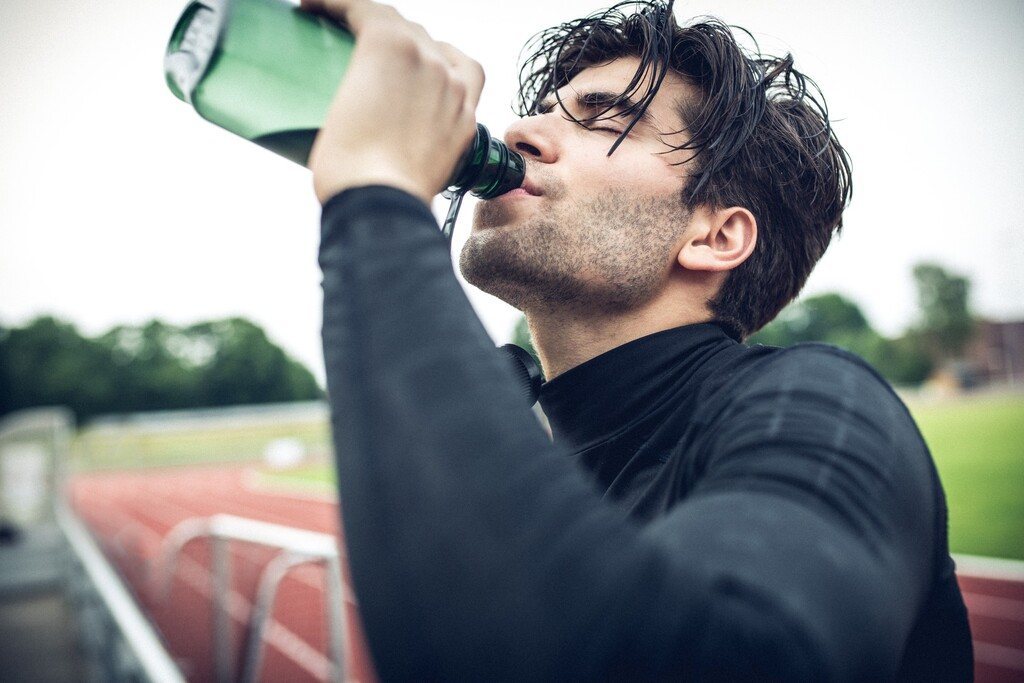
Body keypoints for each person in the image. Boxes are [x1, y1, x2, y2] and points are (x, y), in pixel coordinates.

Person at [302, 0, 974, 679]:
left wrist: (376, 199)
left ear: (716, 236)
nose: (519, 131)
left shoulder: (825, 403)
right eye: (544, 109)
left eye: (604, 118)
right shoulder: (526, 434)